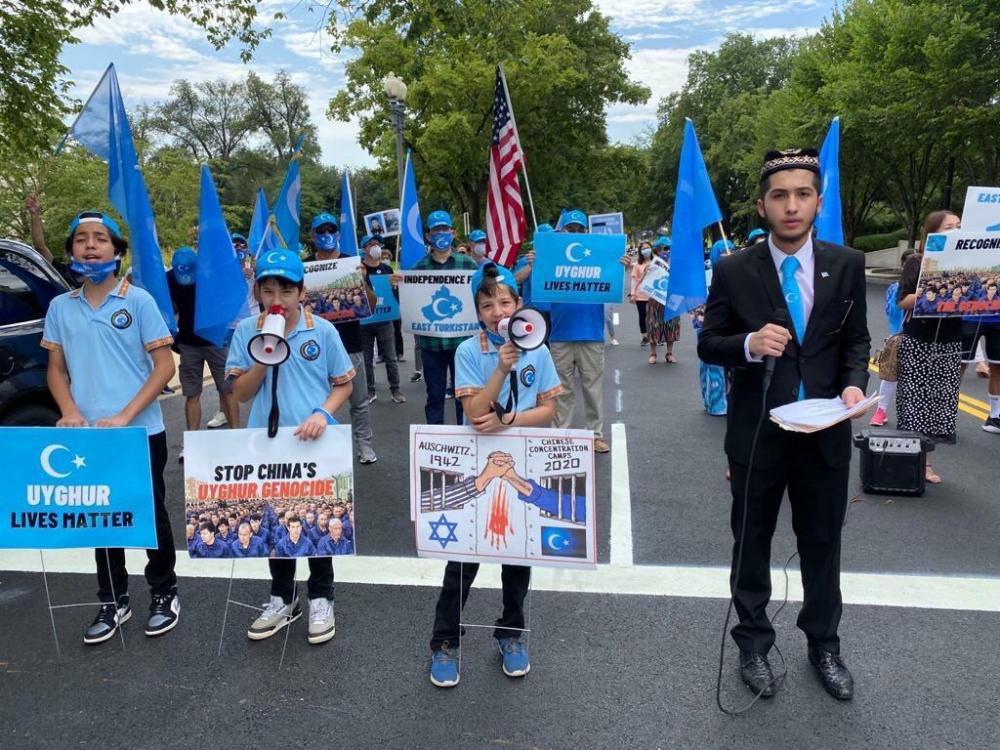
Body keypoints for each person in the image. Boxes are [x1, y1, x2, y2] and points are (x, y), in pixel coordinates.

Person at [698, 148, 871, 702]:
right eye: (779, 195)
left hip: (825, 433)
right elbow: (708, 343)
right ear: (762, 205)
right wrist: (747, 344)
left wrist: (852, 384)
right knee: (750, 542)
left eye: (802, 194)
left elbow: (855, 340)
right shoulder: (732, 269)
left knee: (823, 546)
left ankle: (824, 643)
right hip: (757, 434)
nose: (791, 206)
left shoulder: (846, 263)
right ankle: (752, 645)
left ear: (818, 201)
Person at [42, 210, 180, 644]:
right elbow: (56, 369)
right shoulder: (61, 307)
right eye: (80, 239)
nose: (89, 245)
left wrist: (125, 414)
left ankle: (164, 592)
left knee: (148, 514)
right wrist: (68, 409)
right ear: (71, 252)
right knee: (99, 516)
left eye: (100, 238)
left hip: (139, 432)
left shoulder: (138, 301)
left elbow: (163, 366)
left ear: (117, 251)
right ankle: (113, 599)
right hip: (87, 438)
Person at [427, 261, 563, 689]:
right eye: (487, 305)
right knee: (463, 558)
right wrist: (501, 367)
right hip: (476, 460)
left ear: (519, 305)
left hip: (520, 458)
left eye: (505, 301)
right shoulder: (470, 350)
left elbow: (548, 410)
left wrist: (511, 421)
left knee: (517, 557)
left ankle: (512, 633)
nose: (497, 310)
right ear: (477, 311)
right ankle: (445, 640)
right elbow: (472, 411)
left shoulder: (538, 349)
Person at [226, 249, 354, 645]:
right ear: (258, 293)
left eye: (286, 288)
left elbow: (343, 383)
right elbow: (240, 393)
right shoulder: (249, 329)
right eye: (268, 290)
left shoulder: (323, 331)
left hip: (314, 442)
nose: (277, 298)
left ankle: (321, 597)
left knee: (316, 521)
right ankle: (282, 597)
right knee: (271, 525)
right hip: (267, 444)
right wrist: (265, 353)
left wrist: (322, 414)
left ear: (301, 291)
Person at [526, 209, 626, 453]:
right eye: (571, 229)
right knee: (561, 390)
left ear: (586, 232)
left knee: (592, 388)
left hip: (591, 334)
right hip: (560, 334)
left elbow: (613, 287)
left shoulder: (596, 257)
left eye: (580, 229)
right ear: (563, 231)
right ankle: (562, 435)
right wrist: (536, 267)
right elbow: (539, 302)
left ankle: (595, 435)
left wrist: (620, 266)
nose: (575, 233)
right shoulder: (551, 260)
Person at [895, 210, 963, 482]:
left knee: (939, 403)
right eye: (950, 227)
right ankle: (912, 458)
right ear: (933, 232)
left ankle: (927, 462)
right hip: (919, 340)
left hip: (950, 341)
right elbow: (903, 300)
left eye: (959, 226)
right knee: (915, 402)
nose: (956, 231)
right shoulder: (917, 261)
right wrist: (934, 289)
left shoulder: (966, 263)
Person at [393, 210, 478, 425]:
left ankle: (466, 438)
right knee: (435, 396)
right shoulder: (418, 268)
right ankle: (435, 444)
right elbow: (408, 303)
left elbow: (481, 295)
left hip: (463, 344)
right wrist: (396, 287)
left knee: (464, 396)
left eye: (444, 229)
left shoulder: (467, 265)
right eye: (436, 230)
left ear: (452, 232)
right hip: (431, 345)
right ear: (428, 235)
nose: (441, 233)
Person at [306, 213, 378, 463]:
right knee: (317, 403)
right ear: (312, 236)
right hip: (314, 347)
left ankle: (364, 446)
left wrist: (364, 281)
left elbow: (371, 305)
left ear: (338, 234)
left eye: (331, 230)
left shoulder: (352, 263)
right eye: (320, 231)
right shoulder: (304, 267)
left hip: (350, 343)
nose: (326, 235)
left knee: (358, 401)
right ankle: (319, 451)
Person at [166, 247, 239, 462]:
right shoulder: (169, 277)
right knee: (191, 393)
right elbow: (166, 306)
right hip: (188, 341)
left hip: (214, 339)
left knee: (227, 389)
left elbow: (229, 298)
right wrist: (172, 334)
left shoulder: (210, 275)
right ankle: (192, 443)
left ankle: (237, 437)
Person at [359, 234, 405, 404]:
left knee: (391, 357)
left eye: (378, 244)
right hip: (365, 321)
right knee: (366, 358)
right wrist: (361, 278)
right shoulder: (359, 269)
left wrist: (396, 284)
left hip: (385, 320)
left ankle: (395, 390)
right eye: (371, 244)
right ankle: (370, 391)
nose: (376, 247)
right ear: (364, 249)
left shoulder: (387, 270)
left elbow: (394, 295)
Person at [870, 249, 915, 426]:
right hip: (898, 336)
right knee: (890, 376)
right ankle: (881, 410)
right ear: (903, 265)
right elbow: (891, 312)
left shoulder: (926, 288)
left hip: (918, 338)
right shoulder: (896, 288)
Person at [693, 239, 735, 414]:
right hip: (708, 326)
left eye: (731, 250)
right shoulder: (705, 274)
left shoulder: (738, 272)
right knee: (712, 366)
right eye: (724, 251)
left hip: (732, 326)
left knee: (731, 366)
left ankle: (731, 400)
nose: (728, 253)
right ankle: (715, 403)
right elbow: (695, 303)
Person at [629, 240, 653, 346]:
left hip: (654, 295)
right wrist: (633, 294)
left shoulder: (657, 262)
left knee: (653, 316)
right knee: (642, 315)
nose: (646, 250)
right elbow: (634, 280)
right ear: (640, 251)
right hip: (640, 295)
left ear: (651, 249)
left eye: (647, 247)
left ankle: (654, 335)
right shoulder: (637, 265)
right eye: (643, 248)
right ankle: (644, 337)